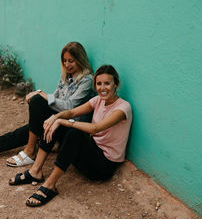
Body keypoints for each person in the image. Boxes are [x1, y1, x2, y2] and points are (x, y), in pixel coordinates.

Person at [8, 65, 132, 207]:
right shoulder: (98, 100)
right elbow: (72, 112)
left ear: (116, 84)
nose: (102, 88)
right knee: (59, 124)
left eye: (107, 83)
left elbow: (95, 128)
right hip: (90, 154)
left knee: (75, 132)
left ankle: (50, 185)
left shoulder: (123, 108)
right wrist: (56, 118)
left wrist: (64, 121)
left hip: (103, 166)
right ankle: (35, 171)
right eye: (99, 84)